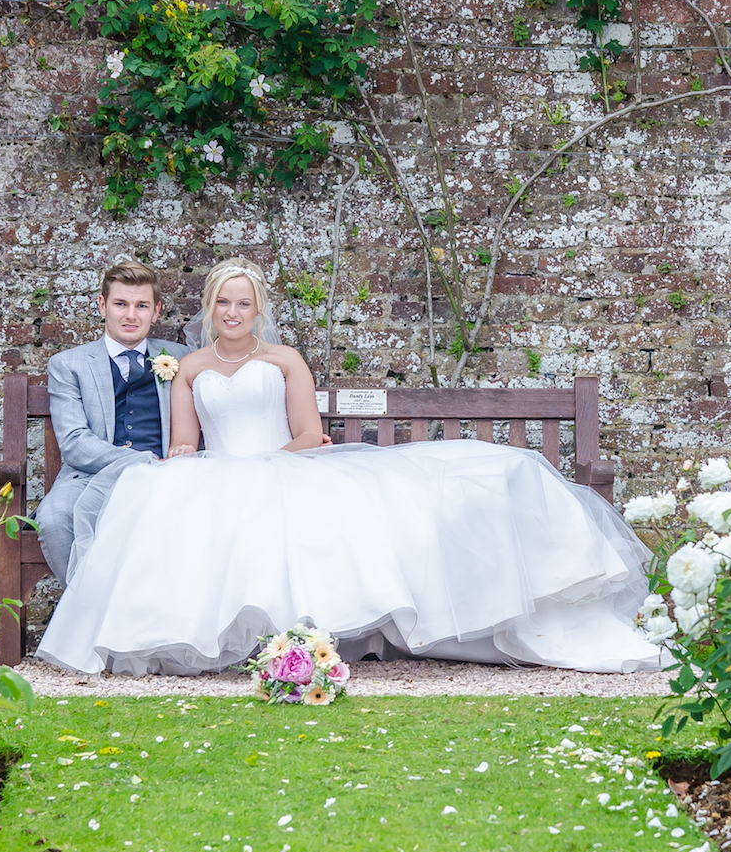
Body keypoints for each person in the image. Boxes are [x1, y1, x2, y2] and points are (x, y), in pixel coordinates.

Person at [35, 258, 664, 677]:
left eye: (243, 303)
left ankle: (320, 640)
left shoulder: (285, 360)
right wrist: (177, 469)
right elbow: (185, 444)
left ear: (257, 309)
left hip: (289, 466)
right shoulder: (188, 368)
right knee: (173, 502)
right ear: (207, 307)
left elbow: (310, 435)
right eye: (222, 302)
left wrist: (260, 465)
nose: (232, 312)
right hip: (220, 471)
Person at [32, 262, 191, 583]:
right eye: (121, 304)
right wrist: (143, 461)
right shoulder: (69, 365)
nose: (131, 315)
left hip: (165, 480)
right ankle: (90, 610)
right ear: (103, 305)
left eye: (141, 305)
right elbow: (75, 443)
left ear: (156, 311)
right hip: (89, 477)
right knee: (52, 518)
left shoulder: (182, 357)